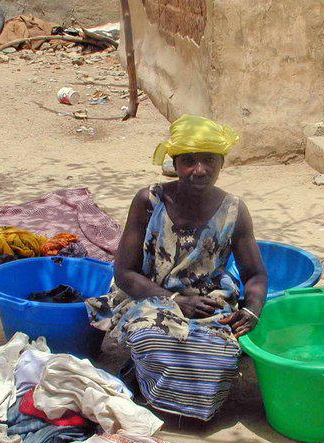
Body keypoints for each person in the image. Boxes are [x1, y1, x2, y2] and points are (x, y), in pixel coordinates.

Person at [86, 114, 268, 421]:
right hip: (149, 296)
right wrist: (174, 300)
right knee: (151, 339)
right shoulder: (150, 200)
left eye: (209, 160)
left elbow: (256, 274)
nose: (200, 170)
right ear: (175, 163)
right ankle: (151, 387)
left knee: (220, 359)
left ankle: (180, 399)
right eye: (189, 161)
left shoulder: (234, 210)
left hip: (210, 302)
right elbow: (125, 273)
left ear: (222, 163)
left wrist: (251, 311)